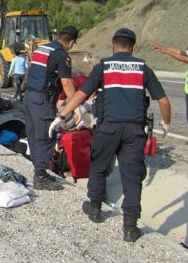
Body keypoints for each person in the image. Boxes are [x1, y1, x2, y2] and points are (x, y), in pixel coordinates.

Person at [49, 28, 171, 242]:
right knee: (132, 177)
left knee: (98, 167)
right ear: (132, 47)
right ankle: (130, 228)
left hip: (107, 128)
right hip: (134, 130)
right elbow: (163, 101)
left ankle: (95, 209)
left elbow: (81, 94)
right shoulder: (144, 68)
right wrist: (166, 123)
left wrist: (61, 116)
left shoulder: (103, 66)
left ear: (113, 45)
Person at [24, 25, 79, 191]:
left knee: (33, 133)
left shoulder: (42, 49)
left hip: (29, 96)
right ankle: (40, 175)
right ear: (72, 42)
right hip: (43, 99)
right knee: (46, 134)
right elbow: (67, 83)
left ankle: (38, 167)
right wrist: (75, 106)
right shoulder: (61, 55)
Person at [152, 40, 188, 147]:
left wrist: (167, 52)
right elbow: (179, 52)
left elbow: (182, 58)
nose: (187, 50)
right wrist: (163, 48)